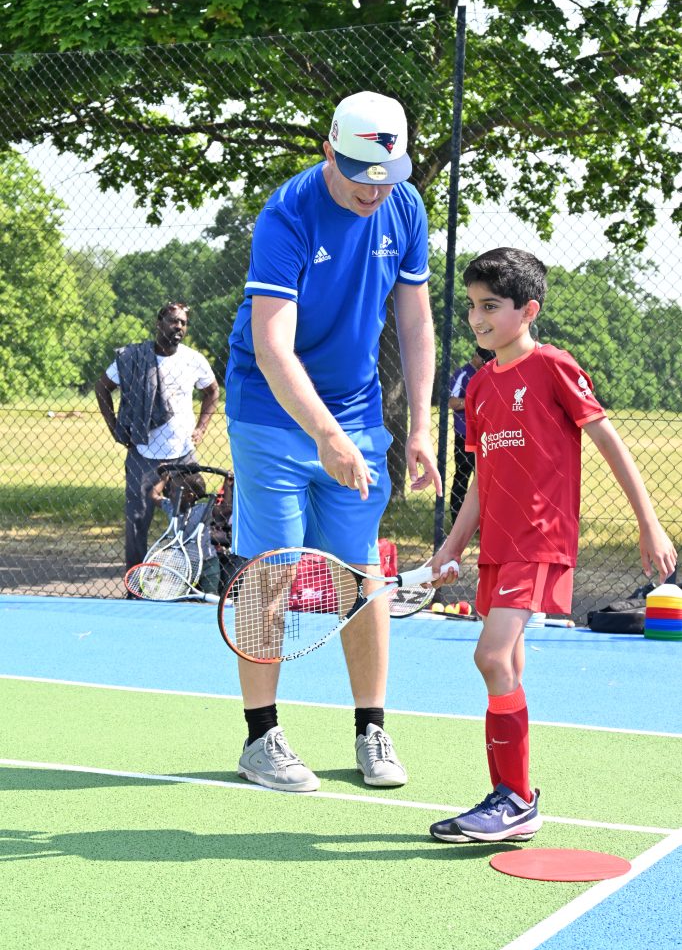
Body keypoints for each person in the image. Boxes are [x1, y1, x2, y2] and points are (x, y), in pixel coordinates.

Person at [224, 90, 442, 793]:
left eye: (386, 176)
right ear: (328, 151)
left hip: (355, 411)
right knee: (273, 571)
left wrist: (419, 427)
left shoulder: (404, 205)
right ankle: (262, 741)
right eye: (359, 176)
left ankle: (371, 729)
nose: (374, 190)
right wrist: (323, 434)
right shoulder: (286, 215)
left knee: (358, 573)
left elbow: (414, 323)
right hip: (271, 409)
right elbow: (272, 346)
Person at [428, 247, 677, 843]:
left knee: (489, 656)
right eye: (470, 307)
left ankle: (513, 799)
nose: (477, 318)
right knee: (506, 661)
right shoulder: (482, 387)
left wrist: (649, 523)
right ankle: (516, 799)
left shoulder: (554, 366)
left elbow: (609, 443)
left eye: (491, 306)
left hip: (541, 539)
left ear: (527, 309)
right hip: (499, 546)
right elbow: (482, 483)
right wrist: (450, 547)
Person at [95, 302, 219, 576]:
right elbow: (102, 387)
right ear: (159, 323)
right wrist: (115, 426)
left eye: (183, 323)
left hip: (183, 454)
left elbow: (212, 391)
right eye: (173, 321)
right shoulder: (133, 358)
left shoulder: (193, 360)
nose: (179, 327)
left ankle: (185, 577)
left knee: (187, 519)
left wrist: (201, 428)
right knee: (137, 520)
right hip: (143, 453)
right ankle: (135, 582)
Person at [150, 470, 221, 595]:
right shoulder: (171, 507)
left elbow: (226, 508)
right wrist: (164, 479)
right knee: (181, 598)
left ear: (189, 496)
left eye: (173, 491)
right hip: (182, 565)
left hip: (208, 564)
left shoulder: (203, 509)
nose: (169, 494)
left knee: (210, 598)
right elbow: (154, 495)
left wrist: (228, 482)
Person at [449, 346, 495, 523]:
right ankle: (456, 520)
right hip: (464, 434)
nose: (485, 363)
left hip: (484, 436)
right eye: (483, 360)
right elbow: (453, 402)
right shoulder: (463, 373)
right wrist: (476, 402)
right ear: (476, 356)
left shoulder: (487, 372)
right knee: (462, 476)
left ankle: (482, 522)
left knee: (484, 479)